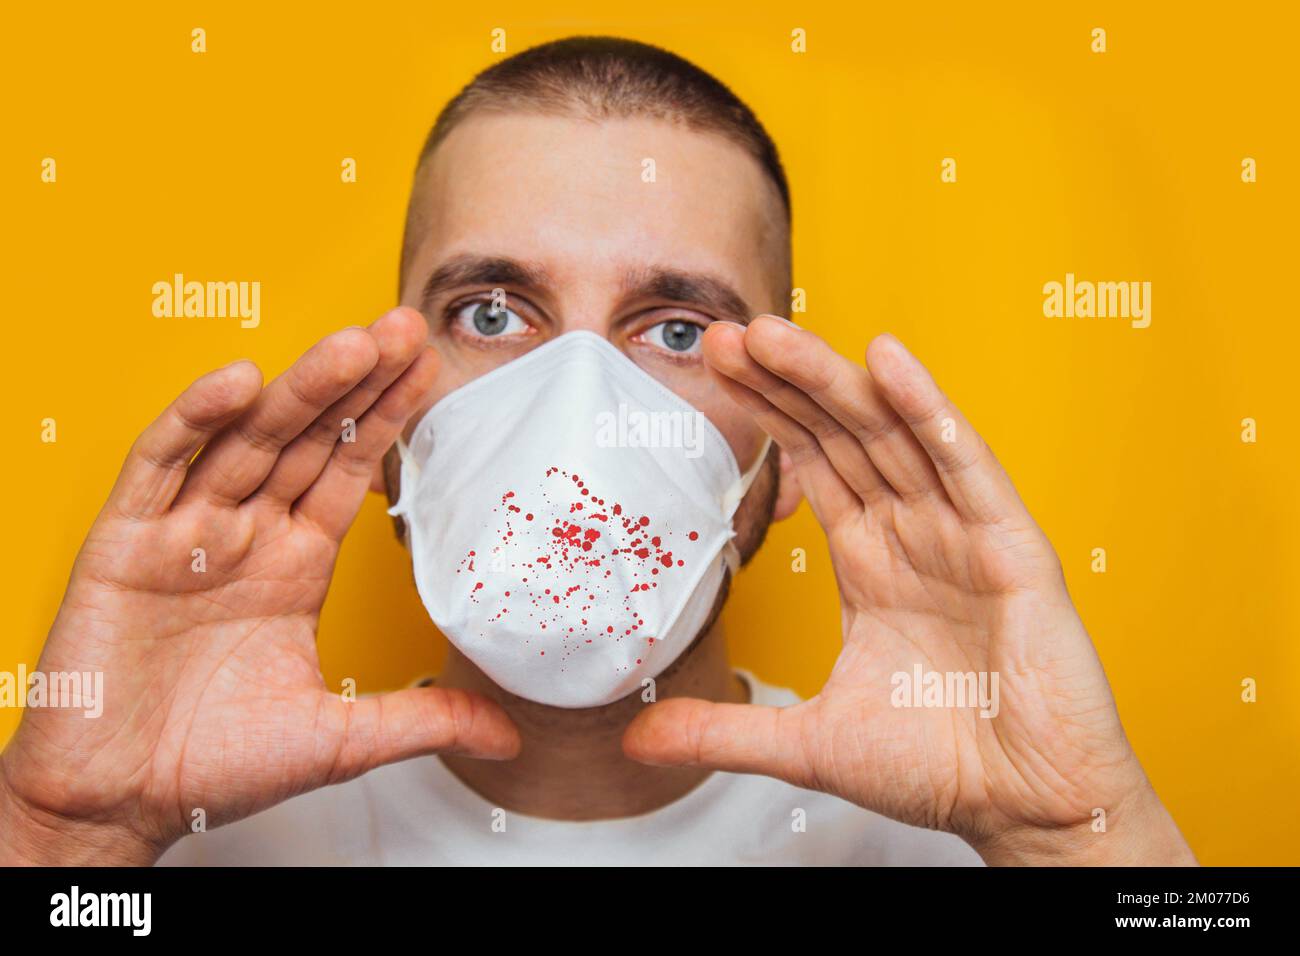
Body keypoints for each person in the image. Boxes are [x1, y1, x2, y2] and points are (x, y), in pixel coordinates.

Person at [0, 36, 1195, 866]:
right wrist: (66, 837)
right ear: (380, 430)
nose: (580, 403)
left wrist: (1075, 834)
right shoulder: (176, 850)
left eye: (675, 329)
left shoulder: (962, 839)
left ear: (780, 458)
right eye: (491, 311)